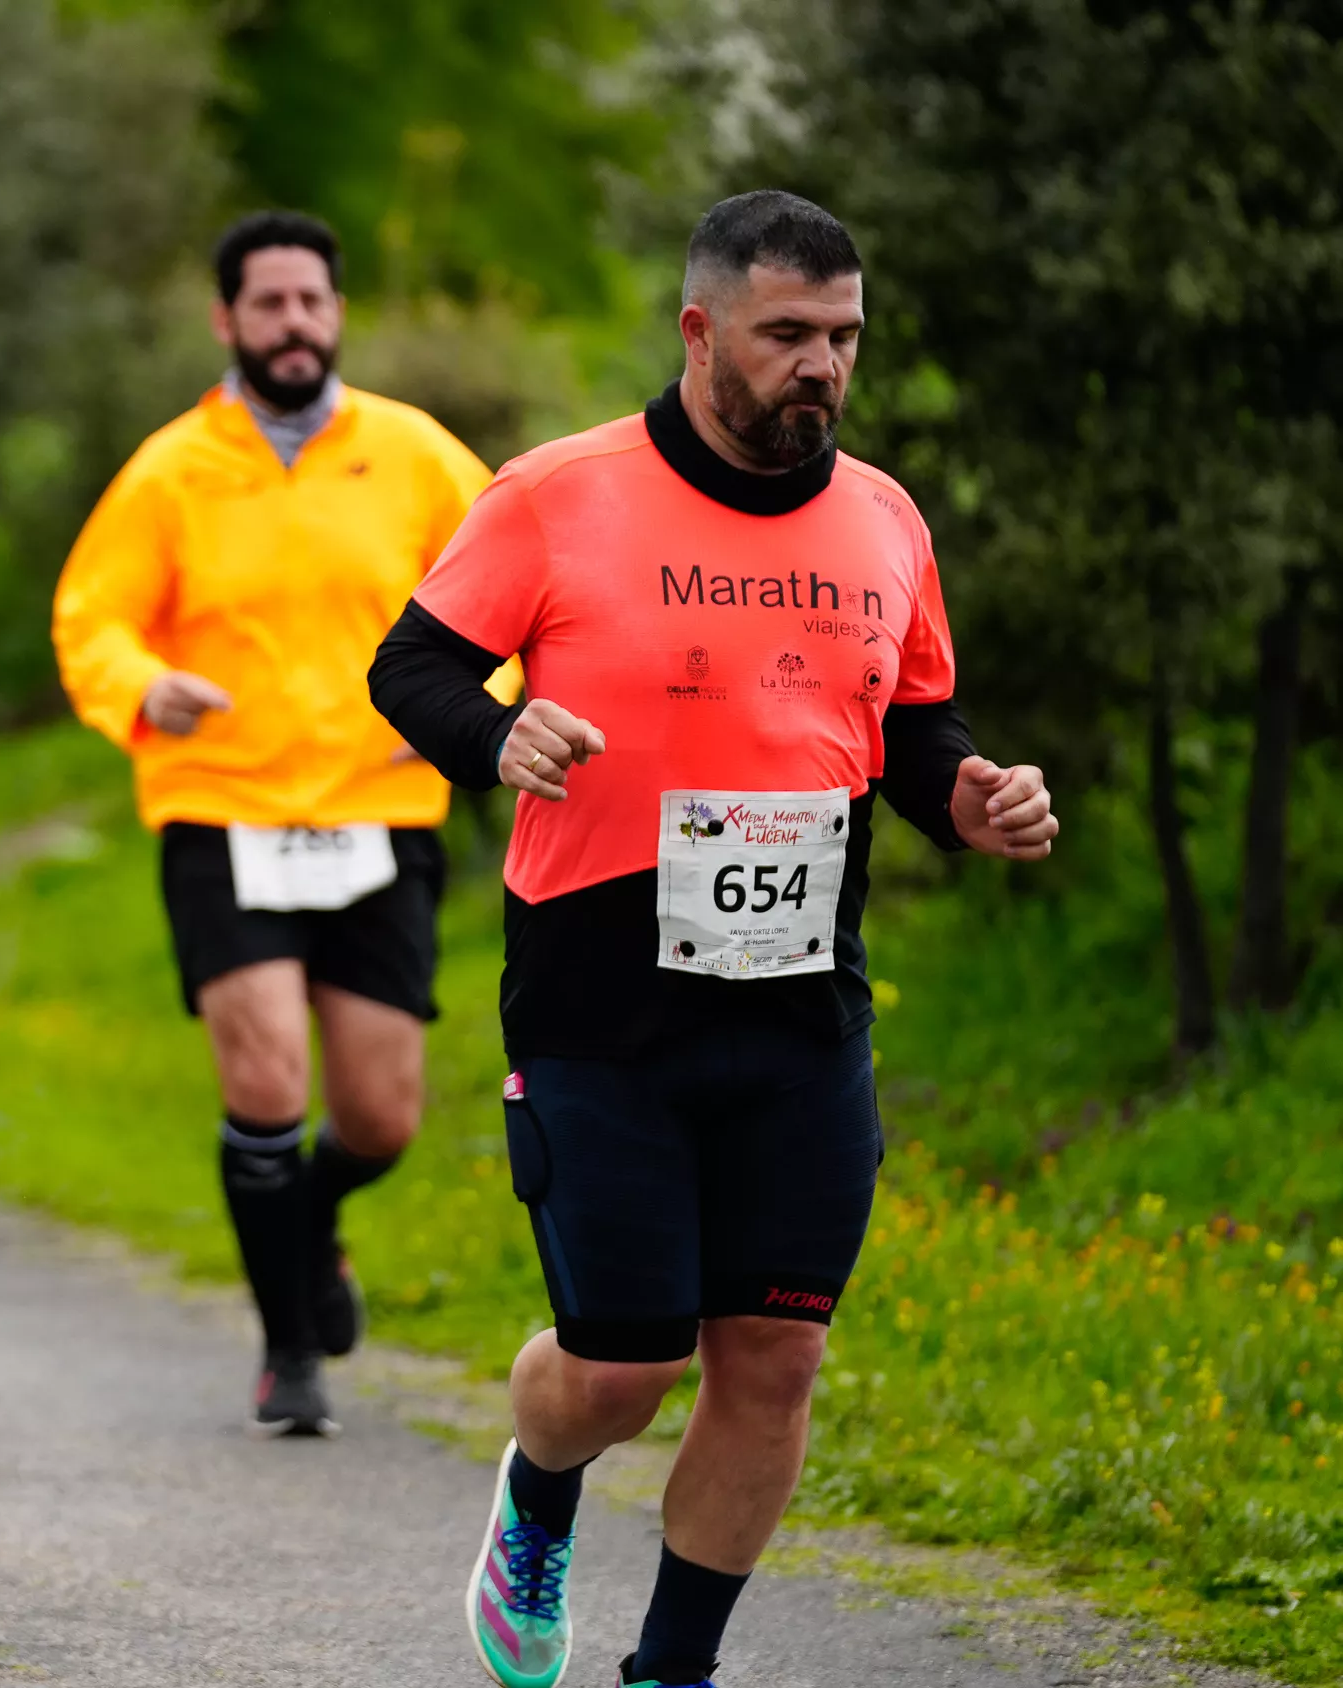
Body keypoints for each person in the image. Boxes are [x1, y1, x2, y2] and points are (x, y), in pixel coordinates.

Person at [366, 190, 1059, 1688]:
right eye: (788, 336)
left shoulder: (885, 516)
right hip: (600, 1006)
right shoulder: (559, 493)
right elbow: (411, 665)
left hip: (804, 1009)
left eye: (844, 340)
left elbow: (909, 725)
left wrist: (972, 797)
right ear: (700, 333)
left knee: (776, 1359)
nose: (821, 367)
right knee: (625, 1365)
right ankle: (538, 1494)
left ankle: (671, 1670)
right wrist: (498, 742)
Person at [50, 210, 506, 1436]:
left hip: (379, 805)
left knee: (380, 1114)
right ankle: (288, 1343)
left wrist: (476, 713)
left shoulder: (416, 455)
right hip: (224, 804)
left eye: (312, 301)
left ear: (337, 312)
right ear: (227, 319)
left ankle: (310, 1227)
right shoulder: (170, 468)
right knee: (264, 1078)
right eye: (269, 305)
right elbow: (91, 617)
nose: (293, 324)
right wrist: (143, 687)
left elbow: (517, 600)